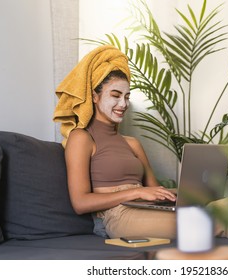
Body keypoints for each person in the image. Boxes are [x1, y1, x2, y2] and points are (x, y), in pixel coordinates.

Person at [54, 45, 177, 239]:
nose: (123, 104)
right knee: (204, 221)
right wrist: (137, 193)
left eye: (127, 97)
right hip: (115, 217)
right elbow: (80, 203)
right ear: (94, 96)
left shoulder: (132, 143)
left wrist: (187, 192)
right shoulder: (82, 138)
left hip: (144, 210)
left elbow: (155, 192)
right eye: (115, 96)